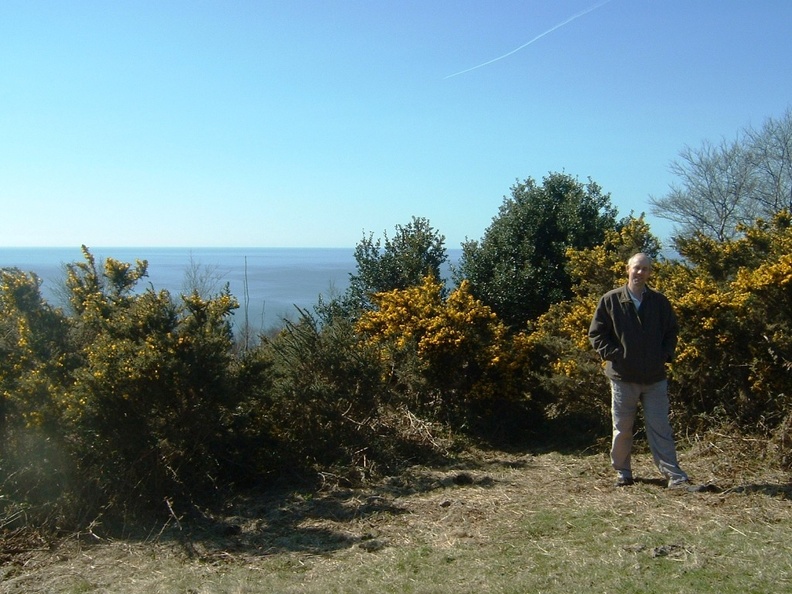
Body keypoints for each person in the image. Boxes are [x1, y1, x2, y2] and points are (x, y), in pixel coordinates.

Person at [589, 253, 696, 490]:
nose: (640, 273)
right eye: (637, 268)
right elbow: (596, 334)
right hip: (622, 377)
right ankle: (623, 472)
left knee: (660, 427)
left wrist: (665, 355)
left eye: (645, 269)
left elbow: (671, 331)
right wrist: (614, 355)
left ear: (649, 273)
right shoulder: (611, 300)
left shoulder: (659, 301)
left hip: (654, 377)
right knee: (622, 428)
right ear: (627, 269)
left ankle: (674, 476)